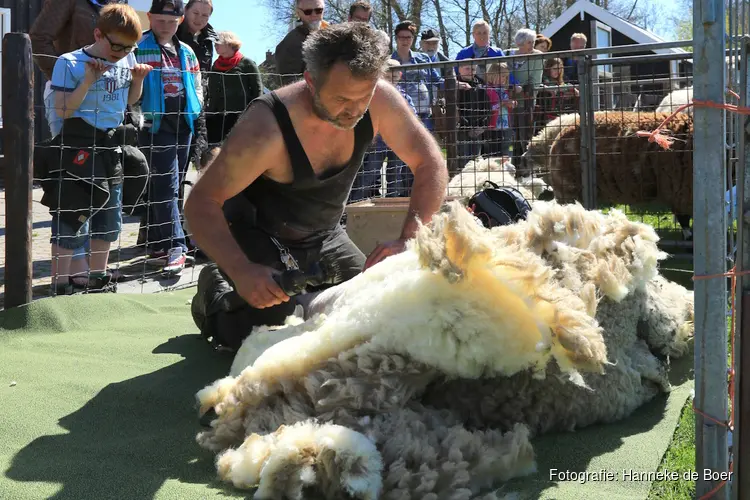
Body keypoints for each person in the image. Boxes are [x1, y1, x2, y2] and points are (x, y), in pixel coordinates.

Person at [186, 22, 449, 351]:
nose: (353, 109)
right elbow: (200, 202)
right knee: (273, 331)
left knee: (374, 306)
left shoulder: (380, 99)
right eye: (341, 98)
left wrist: (410, 237)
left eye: (363, 97)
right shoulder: (266, 127)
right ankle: (215, 289)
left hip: (324, 235)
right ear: (310, 81)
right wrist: (240, 270)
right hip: (258, 234)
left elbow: (430, 162)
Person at [39, 3, 151, 295]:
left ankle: (97, 279)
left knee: (109, 219)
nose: (123, 53)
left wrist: (137, 80)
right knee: (70, 218)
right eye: (117, 46)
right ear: (98, 34)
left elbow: (129, 101)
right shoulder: (69, 62)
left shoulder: (127, 59)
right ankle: (60, 285)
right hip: (77, 147)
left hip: (110, 145)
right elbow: (63, 110)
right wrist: (88, 81)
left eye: (130, 48)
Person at [135, 0, 204, 275]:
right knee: (166, 183)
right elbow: (131, 88)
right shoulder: (138, 47)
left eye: (171, 21)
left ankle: (163, 244)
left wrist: (195, 111)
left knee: (172, 187)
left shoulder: (187, 51)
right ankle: (177, 246)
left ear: (180, 20)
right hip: (154, 125)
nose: (165, 26)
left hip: (183, 125)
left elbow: (197, 86)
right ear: (150, 17)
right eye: (160, 20)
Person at [205, 31, 263, 152]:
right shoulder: (215, 65)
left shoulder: (247, 63)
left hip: (241, 115)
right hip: (218, 116)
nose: (215, 46)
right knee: (216, 152)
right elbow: (211, 91)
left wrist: (254, 112)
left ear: (229, 44)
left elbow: (258, 90)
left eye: (218, 43)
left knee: (239, 150)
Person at [275, 0, 329, 87]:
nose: (314, 15)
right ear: (298, 13)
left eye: (319, 10)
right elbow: (289, 85)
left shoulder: (333, 34)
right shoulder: (290, 43)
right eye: (308, 12)